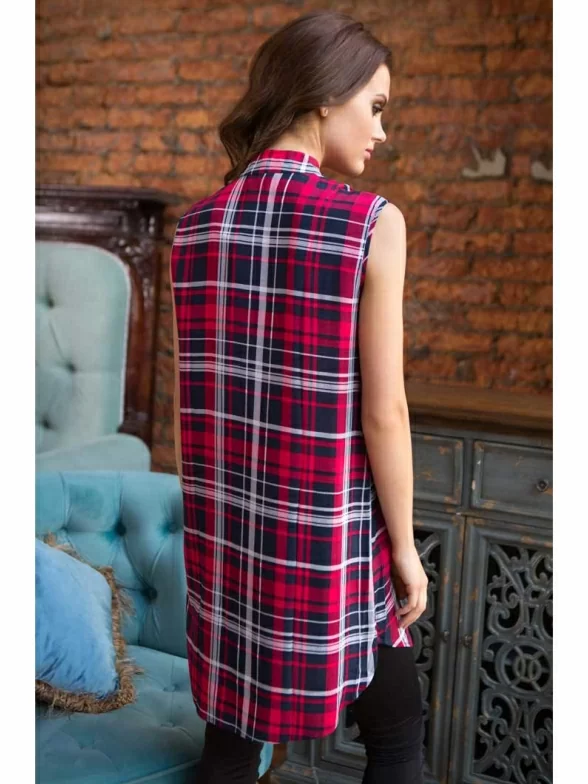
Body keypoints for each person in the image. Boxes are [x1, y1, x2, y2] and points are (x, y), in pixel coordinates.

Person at [170, 9, 428, 784]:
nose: (381, 130)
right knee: (398, 737)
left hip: (227, 544)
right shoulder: (371, 223)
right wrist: (406, 551)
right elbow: (384, 412)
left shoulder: (194, 229)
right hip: (329, 547)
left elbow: (202, 402)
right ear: (324, 94)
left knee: (230, 740)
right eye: (374, 106)